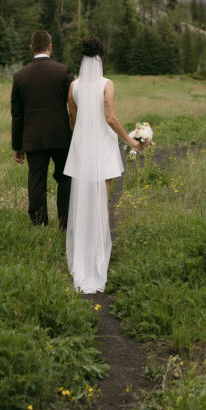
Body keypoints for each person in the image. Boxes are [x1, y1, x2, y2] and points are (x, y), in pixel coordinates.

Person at [64, 34, 139, 294]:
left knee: (83, 203)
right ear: (101, 58)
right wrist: (130, 140)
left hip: (81, 148)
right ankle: (99, 256)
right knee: (101, 202)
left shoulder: (73, 86)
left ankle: (83, 255)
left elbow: (72, 119)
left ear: (82, 59)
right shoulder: (107, 84)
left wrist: (80, 140)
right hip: (103, 148)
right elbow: (109, 117)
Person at [11, 30, 74, 228]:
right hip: (61, 136)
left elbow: (17, 114)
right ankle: (65, 223)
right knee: (65, 178)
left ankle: (39, 223)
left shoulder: (20, 76)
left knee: (36, 179)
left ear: (31, 48)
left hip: (33, 137)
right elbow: (74, 105)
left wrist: (17, 145)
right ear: (50, 47)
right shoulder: (63, 71)